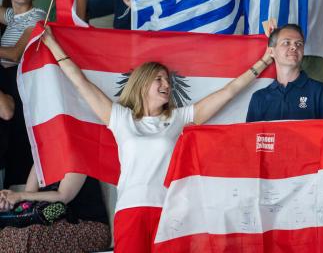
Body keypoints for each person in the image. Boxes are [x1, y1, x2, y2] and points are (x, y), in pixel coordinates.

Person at [41, 25, 272, 252]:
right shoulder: (122, 118)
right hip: (131, 210)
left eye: (168, 81)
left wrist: (264, 61)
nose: (167, 85)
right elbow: (81, 83)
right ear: (142, 83)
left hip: (171, 211)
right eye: (159, 79)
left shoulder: (179, 118)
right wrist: (51, 43)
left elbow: (228, 92)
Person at [247, 23, 323, 129]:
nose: (294, 47)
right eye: (286, 43)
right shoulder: (259, 98)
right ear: (271, 52)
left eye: (299, 44)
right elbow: (249, 142)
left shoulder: (319, 91)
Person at [0, 0, 45, 189]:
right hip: (5, 75)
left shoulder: (36, 15)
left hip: (20, 76)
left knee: (17, 133)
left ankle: (17, 188)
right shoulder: (11, 15)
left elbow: (17, 53)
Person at [0, 167, 110, 252]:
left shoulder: (77, 155)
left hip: (88, 226)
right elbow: (29, 200)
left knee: (29, 237)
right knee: (8, 233)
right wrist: (8, 201)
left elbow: (62, 197)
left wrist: (20, 196)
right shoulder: (41, 155)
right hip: (50, 221)